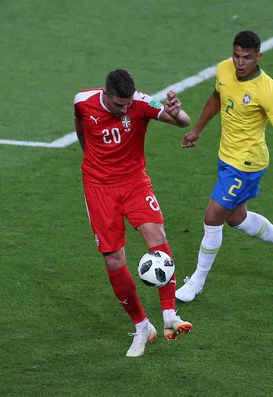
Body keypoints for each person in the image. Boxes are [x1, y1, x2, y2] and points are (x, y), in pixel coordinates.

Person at [176, 30, 273, 303]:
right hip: (226, 157)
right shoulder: (224, 70)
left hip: (247, 164)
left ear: (258, 57)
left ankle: (197, 281)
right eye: (236, 56)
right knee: (236, 218)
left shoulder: (266, 89)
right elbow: (217, 97)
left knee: (212, 216)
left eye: (246, 58)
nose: (239, 63)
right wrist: (198, 130)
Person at [73, 68, 193, 357]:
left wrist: (176, 113)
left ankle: (168, 315)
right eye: (118, 105)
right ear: (105, 93)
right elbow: (80, 126)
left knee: (157, 235)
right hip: (99, 187)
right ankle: (142, 326)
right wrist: (87, 153)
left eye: (127, 104)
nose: (124, 109)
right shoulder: (83, 101)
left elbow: (182, 122)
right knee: (114, 260)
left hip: (134, 181)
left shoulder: (140, 103)